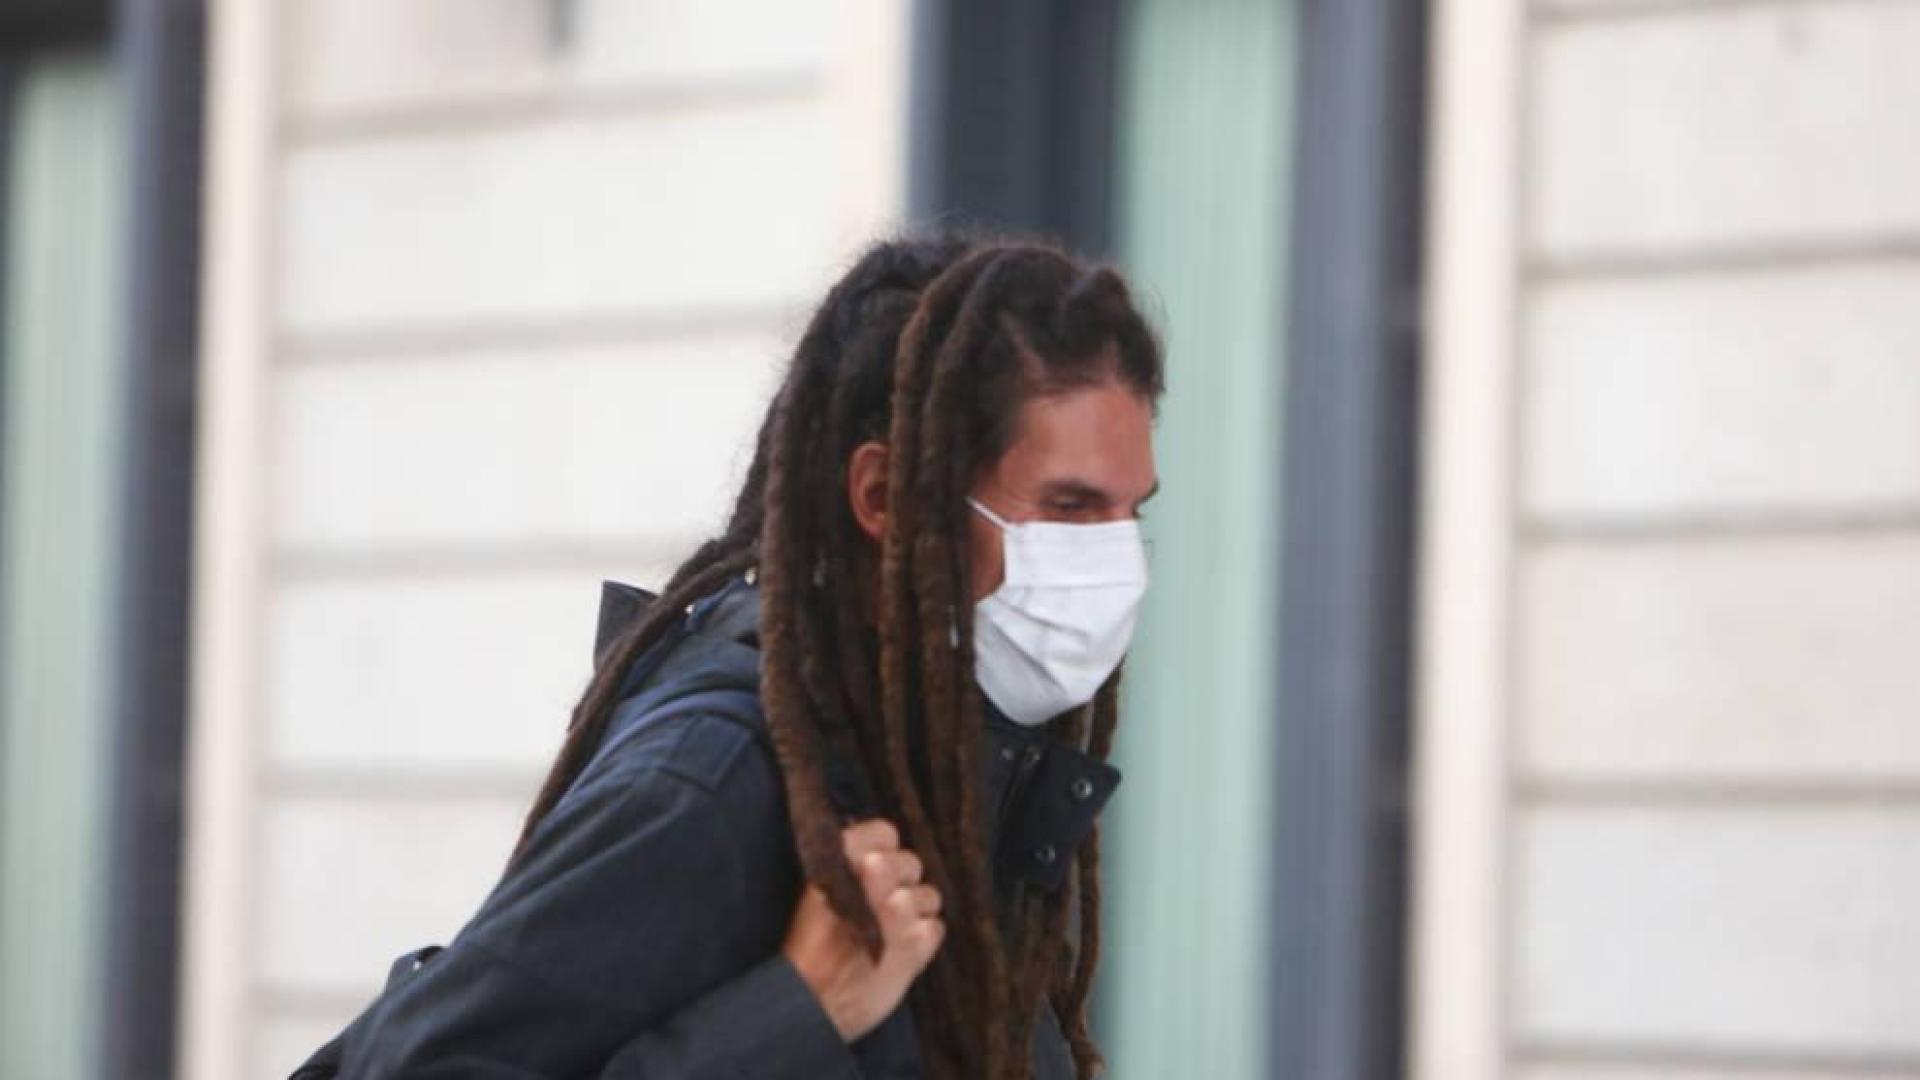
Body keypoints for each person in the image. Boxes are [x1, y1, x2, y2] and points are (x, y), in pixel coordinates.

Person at [306, 235, 1164, 1079]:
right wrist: (802, 1010)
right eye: (1070, 507)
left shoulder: (955, 782)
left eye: (1132, 513)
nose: (1115, 559)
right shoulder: (716, 777)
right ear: (883, 497)